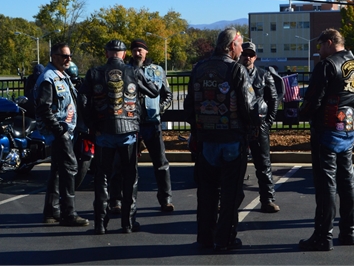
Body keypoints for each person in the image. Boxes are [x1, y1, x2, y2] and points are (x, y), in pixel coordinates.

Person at [184, 27, 256, 251]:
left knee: (206, 193)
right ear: (231, 45)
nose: (241, 49)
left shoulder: (198, 68)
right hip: (232, 139)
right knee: (230, 193)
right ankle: (224, 239)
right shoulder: (236, 69)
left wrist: (197, 131)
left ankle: (205, 238)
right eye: (240, 45)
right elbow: (249, 106)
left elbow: (189, 106)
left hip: (206, 140)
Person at [298, 28, 354, 251]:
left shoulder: (327, 65)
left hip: (327, 130)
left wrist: (301, 113)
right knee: (347, 181)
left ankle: (323, 236)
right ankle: (349, 232)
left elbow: (313, 98)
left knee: (326, 184)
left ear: (329, 42)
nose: (319, 51)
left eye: (320, 46)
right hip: (348, 128)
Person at [82, 39, 160, 235]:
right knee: (130, 176)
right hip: (128, 132)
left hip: (104, 132)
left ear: (107, 53)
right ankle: (128, 222)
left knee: (102, 177)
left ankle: (100, 223)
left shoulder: (94, 73)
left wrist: (92, 124)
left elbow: (82, 100)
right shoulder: (132, 71)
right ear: (124, 54)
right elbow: (154, 90)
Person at [108, 39, 175, 214]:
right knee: (121, 164)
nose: (138, 53)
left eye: (141, 50)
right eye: (135, 50)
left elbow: (167, 94)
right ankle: (116, 200)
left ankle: (166, 199)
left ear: (146, 52)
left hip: (152, 124)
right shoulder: (125, 70)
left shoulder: (158, 71)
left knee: (161, 163)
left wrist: (160, 108)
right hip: (130, 124)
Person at [34, 43, 89, 227]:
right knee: (69, 169)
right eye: (64, 56)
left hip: (66, 131)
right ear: (53, 56)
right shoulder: (48, 78)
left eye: (70, 56)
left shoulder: (61, 76)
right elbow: (44, 108)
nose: (68, 59)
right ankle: (69, 213)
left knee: (58, 171)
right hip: (59, 132)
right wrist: (59, 131)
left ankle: (51, 212)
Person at [238, 41, 280, 213]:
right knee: (235, 167)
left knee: (263, 165)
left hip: (259, 127)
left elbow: (273, 100)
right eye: (244, 54)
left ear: (255, 57)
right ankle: (229, 202)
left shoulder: (264, 75)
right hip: (239, 127)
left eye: (250, 54)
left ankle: (267, 200)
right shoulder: (235, 75)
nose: (247, 57)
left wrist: (268, 123)